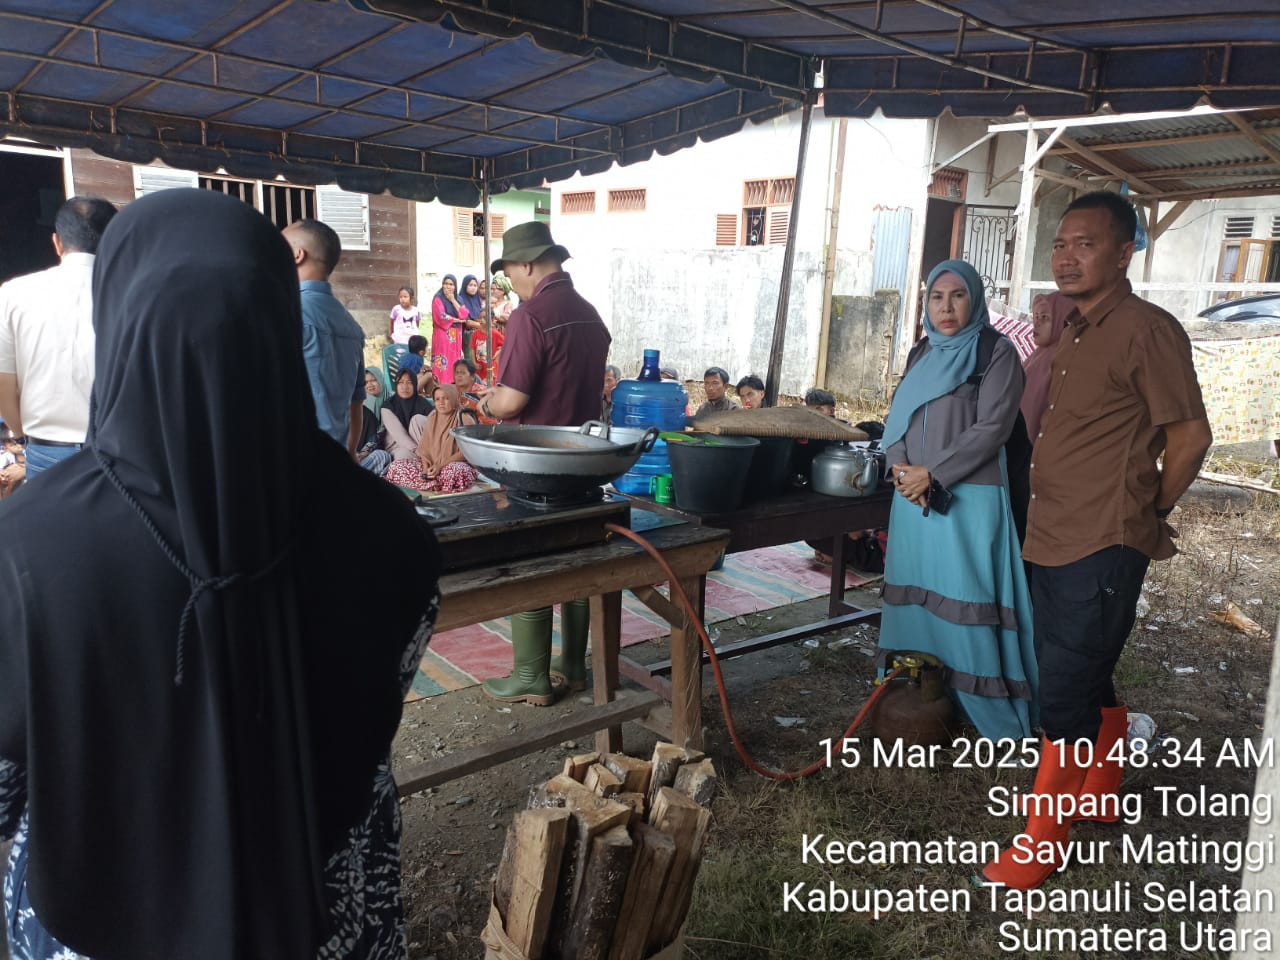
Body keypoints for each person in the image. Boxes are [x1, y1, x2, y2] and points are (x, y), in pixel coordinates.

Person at [0, 188, 441, 960]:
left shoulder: (27, 544)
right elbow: (378, 704)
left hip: (97, 917)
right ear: (275, 314)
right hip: (325, 910)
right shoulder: (387, 530)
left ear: (117, 318)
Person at [982, 192, 1212, 891]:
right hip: (1052, 530)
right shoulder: (1075, 328)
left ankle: (1042, 843)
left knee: (1061, 694)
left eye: (1085, 243)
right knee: (1085, 667)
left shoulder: (1148, 330)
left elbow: (1190, 436)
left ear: (1124, 252)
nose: (1067, 256)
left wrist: (1150, 506)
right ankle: (1101, 789)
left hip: (1104, 537)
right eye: (1060, 244)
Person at [878, 259, 1036, 745]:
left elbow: (992, 429)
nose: (946, 308)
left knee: (967, 602)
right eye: (936, 297)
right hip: (912, 498)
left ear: (975, 299)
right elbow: (898, 417)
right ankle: (919, 692)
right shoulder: (921, 352)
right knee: (919, 596)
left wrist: (933, 473)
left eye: (958, 296)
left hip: (968, 500)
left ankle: (986, 715)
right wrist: (901, 469)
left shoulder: (996, 353)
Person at [473, 221, 610, 703]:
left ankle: (531, 676)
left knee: (531, 562)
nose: (511, 282)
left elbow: (511, 401)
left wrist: (487, 402)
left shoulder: (529, 316)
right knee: (577, 560)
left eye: (510, 271)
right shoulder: (590, 314)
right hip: (586, 461)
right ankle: (572, 665)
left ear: (528, 264)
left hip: (537, 467)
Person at [0, 196, 118, 478]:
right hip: (118, 450)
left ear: (57, 242)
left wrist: (24, 433)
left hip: (47, 450)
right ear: (115, 243)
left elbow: (3, 382)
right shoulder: (131, 294)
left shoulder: (14, 294)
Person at [283, 218, 365, 455]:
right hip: (333, 458)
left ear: (297, 255)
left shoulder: (287, 312)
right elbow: (356, 403)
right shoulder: (351, 325)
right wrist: (350, 453)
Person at [386, 384, 479, 493]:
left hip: (453, 465)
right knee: (396, 467)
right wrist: (426, 470)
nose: (441, 402)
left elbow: (467, 451)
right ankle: (433, 483)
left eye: (446, 398)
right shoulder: (433, 418)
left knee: (456, 471)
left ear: (454, 399)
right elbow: (424, 450)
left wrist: (440, 466)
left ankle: (433, 484)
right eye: (437, 399)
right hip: (433, 467)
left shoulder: (464, 418)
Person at [1019, 292, 1072, 441]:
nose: (1037, 323)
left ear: (1062, 320)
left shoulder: (1061, 358)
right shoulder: (1037, 356)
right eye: (1036, 317)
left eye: (1045, 317)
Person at [380, 366, 434, 462]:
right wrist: (418, 451)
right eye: (401, 382)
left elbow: (435, 423)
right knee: (403, 456)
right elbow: (399, 435)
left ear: (415, 384)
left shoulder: (422, 402)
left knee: (418, 419)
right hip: (398, 445)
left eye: (409, 382)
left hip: (423, 445)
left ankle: (430, 461)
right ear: (396, 385)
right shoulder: (388, 406)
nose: (405, 387)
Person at [430, 274, 468, 385]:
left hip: (456, 336)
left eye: (451, 284)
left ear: (455, 286)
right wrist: (457, 320)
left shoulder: (458, 299)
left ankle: (453, 385)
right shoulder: (438, 298)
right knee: (442, 362)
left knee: (454, 360)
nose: (448, 286)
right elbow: (441, 317)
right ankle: (440, 385)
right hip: (443, 334)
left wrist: (452, 300)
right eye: (445, 283)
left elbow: (465, 314)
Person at [454, 358, 496, 425]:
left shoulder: (482, 393)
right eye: (457, 373)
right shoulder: (452, 391)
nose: (459, 375)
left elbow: (490, 419)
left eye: (463, 373)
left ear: (472, 376)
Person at [458, 274, 486, 364]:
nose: (473, 288)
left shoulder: (477, 300)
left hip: (479, 336)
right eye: (470, 285)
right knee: (469, 362)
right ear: (465, 285)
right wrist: (483, 326)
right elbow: (467, 322)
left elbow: (479, 317)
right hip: (466, 336)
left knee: (480, 361)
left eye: (475, 285)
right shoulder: (460, 300)